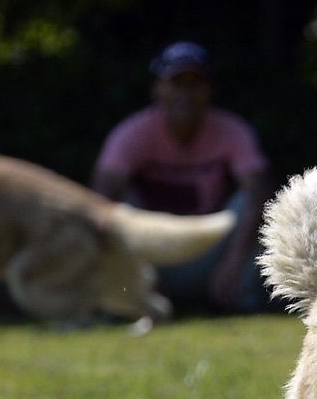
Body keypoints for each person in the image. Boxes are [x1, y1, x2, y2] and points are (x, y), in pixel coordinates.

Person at [91, 41, 272, 313]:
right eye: (176, 83)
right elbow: (100, 197)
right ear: (156, 88)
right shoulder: (132, 133)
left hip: (209, 252)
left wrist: (234, 258)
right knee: (114, 207)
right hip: (152, 254)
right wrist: (139, 267)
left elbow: (260, 190)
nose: (185, 94)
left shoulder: (233, 130)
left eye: (195, 83)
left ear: (209, 89)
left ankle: (240, 304)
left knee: (252, 202)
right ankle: (123, 304)